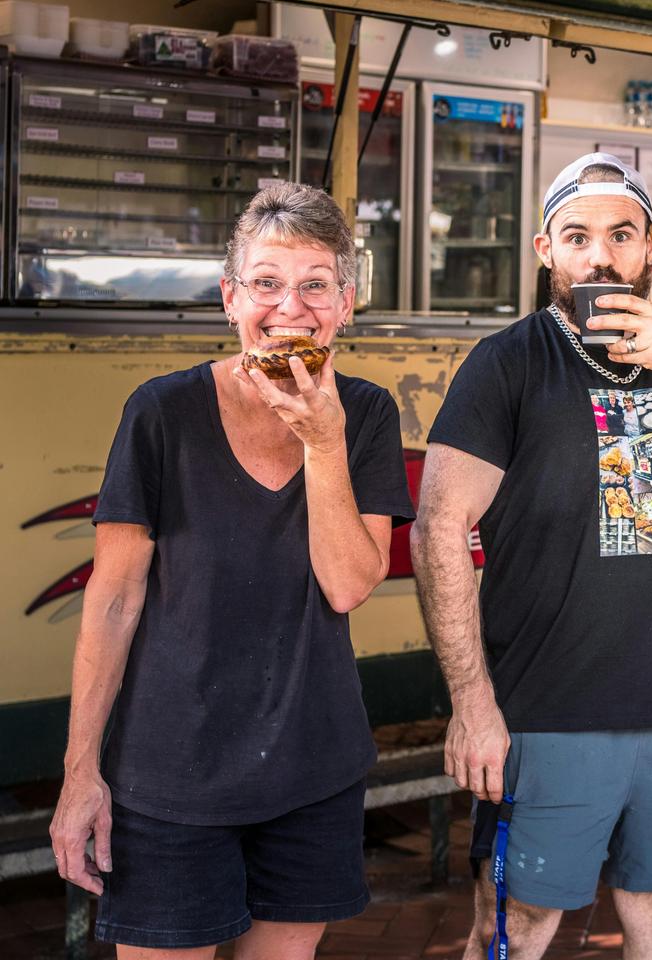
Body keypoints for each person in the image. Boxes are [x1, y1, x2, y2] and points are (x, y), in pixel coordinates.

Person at [410, 152, 652, 960]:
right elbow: (438, 528)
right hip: (546, 718)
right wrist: (473, 703)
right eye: (578, 236)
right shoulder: (507, 363)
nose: (601, 256)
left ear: (651, 247)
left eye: (622, 235)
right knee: (517, 931)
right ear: (547, 252)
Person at [48, 183, 413, 959]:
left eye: (316, 284)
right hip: (170, 773)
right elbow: (112, 603)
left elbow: (348, 583)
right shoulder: (162, 413)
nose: (291, 307)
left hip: (313, 766)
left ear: (345, 304)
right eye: (267, 283)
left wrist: (322, 442)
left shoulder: (367, 415)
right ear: (229, 297)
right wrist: (82, 774)